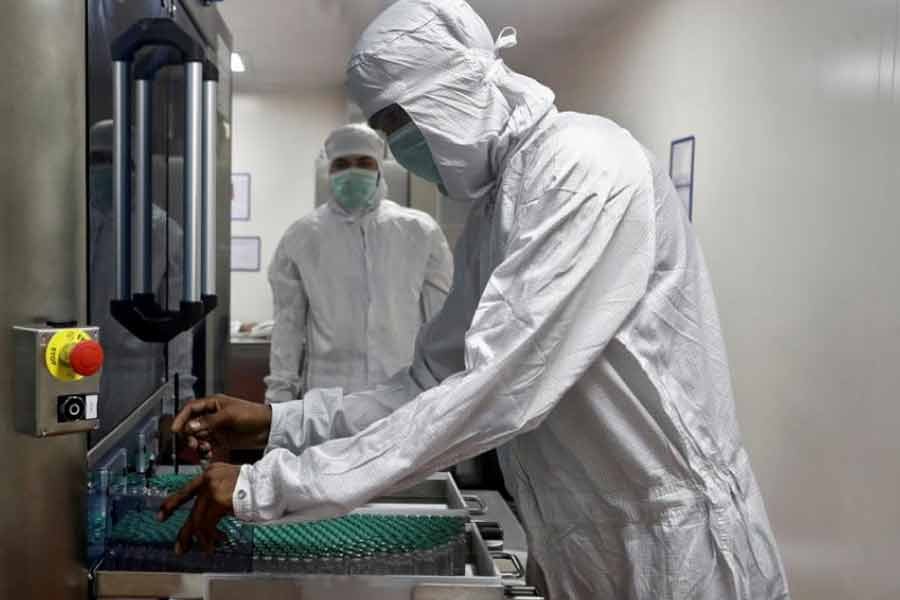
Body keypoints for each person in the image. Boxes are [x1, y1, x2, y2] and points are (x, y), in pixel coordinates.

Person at [160, 1, 791, 598]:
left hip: (671, 548)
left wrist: (264, 486)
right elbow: (432, 380)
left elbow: (494, 390)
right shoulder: (496, 208)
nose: (394, 150)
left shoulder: (584, 168)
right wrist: (278, 422)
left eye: (394, 126)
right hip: (580, 540)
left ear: (447, 91)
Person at [264, 123, 453, 402]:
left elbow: (440, 318)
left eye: (364, 162)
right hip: (329, 397)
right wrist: (279, 397)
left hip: (403, 393)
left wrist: (445, 387)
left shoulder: (419, 231)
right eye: (342, 164)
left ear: (379, 168)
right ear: (330, 171)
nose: (353, 171)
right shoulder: (302, 236)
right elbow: (287, 324)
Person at [88, 120, 195, 439]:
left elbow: (180, 327)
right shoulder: (73, 224)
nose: (104, 169)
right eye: (96, 159)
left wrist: (177, 401)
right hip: (73, 371)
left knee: (125, 465)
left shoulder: (161, 230)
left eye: (116, 159)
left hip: (134, 380)